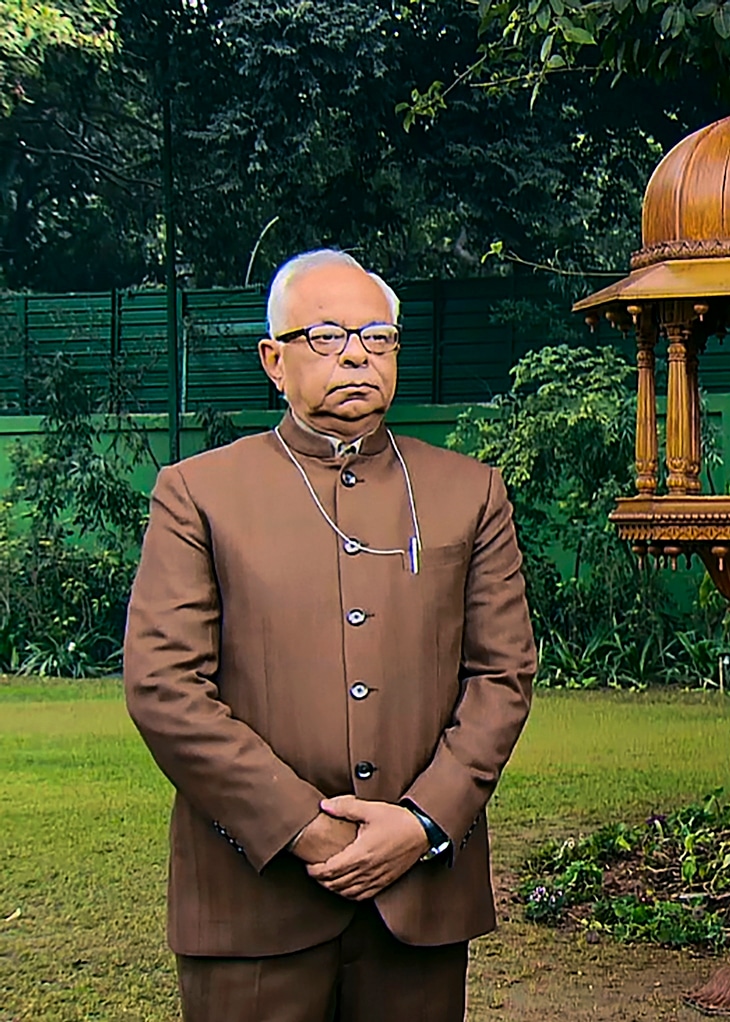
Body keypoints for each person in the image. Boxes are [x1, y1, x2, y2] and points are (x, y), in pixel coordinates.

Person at [123, 249, 537, 1021]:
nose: (356, 354)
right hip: (253, 901)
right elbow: (164, 689)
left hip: (420, 901)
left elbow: (503, 678)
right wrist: (305, 829)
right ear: (273, 361)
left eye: (378, 337)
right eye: (327, 336)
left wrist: (421, 823)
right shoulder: (199, 494)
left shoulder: (467, 492)